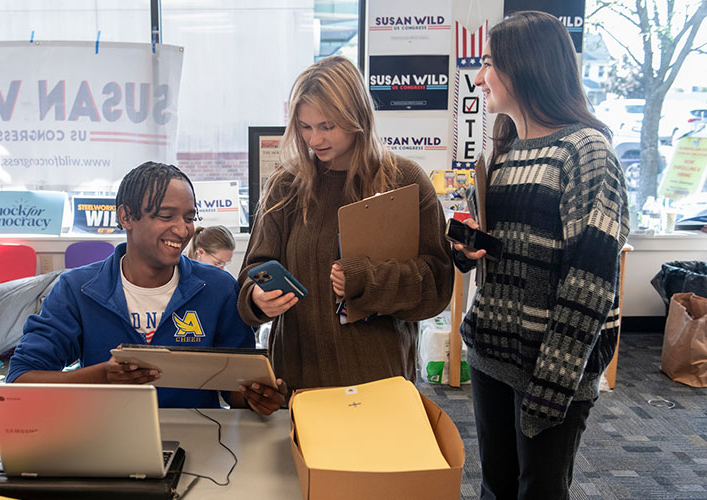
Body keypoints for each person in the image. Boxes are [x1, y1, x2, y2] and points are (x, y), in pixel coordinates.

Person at [452, 11, 629, 500]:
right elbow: (502, 253)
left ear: (525, 66)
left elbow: (591, 281)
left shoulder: (587, 151)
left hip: (553, 367)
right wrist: (469, 251)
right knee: (496, 487)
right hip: (495, 354)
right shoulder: (506, 149)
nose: (480, 76)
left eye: (489, 63)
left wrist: (553, 383)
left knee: (541, 490)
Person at [237, 56, 454, 392]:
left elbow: (435, 285)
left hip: (379, 379)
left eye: (327, 126)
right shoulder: (286, 185)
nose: (314, 139)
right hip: (298, 380)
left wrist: (365, 279)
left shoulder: (404, 181)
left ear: (358, 119)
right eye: (305, 127)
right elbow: (251, 274)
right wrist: (257, 299)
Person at [8, 162, 285, 415]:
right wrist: (103, 377)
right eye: (166, 216)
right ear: (126, 217)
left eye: (189, 217)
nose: (182, 230)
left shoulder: (217, 288)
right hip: (105, 438)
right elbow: (20, 380)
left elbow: (236, 389)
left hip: (199, 442)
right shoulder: (78, 289)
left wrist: (258, 398)